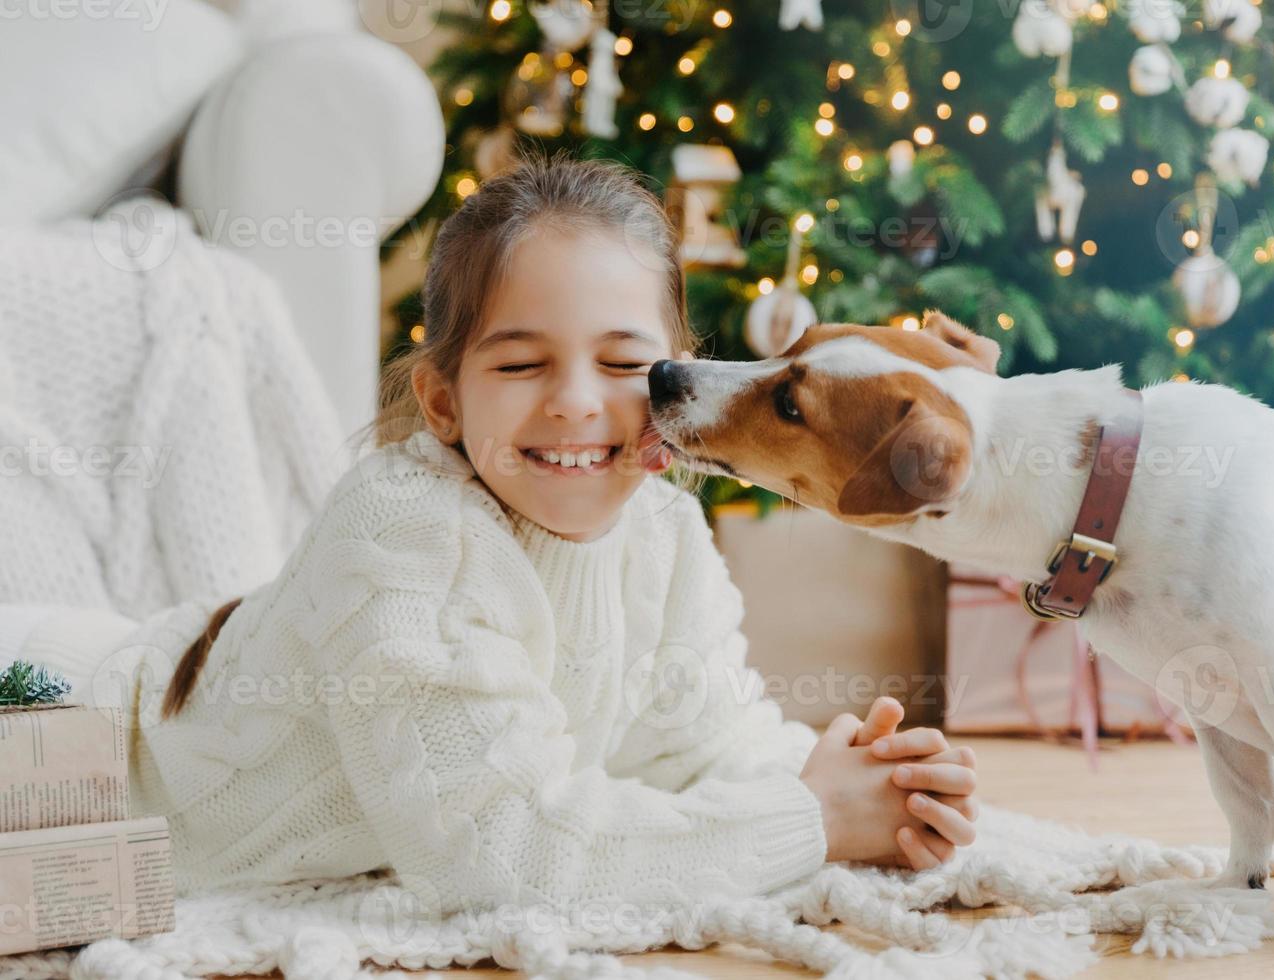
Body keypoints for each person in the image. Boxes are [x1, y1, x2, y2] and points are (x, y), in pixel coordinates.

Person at [139, 153, 980, 910]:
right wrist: (812, 819)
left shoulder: (664, 530)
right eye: (518, 363)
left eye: (622, 365)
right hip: (97, 764)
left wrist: (877, 785)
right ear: (442, 402)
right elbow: (506, 857)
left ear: (680, 390)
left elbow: (705, 743)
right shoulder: (404, 532)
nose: (577, 402)